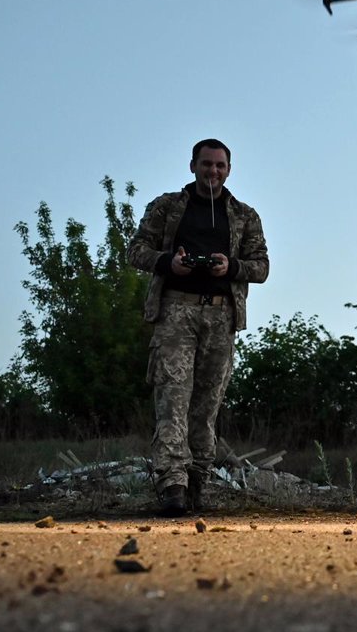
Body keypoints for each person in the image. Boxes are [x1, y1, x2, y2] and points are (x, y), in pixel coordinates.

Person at [128, 138, 269, 516]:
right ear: (193, 166)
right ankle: (172, 487)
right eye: (207, 164)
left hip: (222, 317)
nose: (213, 171)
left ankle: (196, 486)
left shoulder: (244, 215)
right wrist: (168, 263)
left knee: (205, 408)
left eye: (220, 165)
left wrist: (232, 266)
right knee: (172, 401)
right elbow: (135, 250)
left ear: (229, 169)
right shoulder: (167, 207)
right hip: (176, 312)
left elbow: (262, 267)